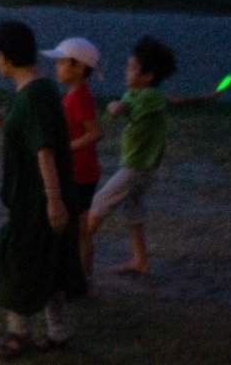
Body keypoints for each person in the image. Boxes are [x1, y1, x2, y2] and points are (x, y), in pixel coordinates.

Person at [0, 19, 85, 357]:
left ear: (5, 57)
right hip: (39, 200)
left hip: (37, 202)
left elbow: (44, 151)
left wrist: (53, 201)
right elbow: (32, 131)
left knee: (17, 264)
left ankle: (18, 334)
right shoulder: (40, 90)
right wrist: (2, 123)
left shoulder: (34, 96)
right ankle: (59, 333)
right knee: (47, 266)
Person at [87, 36, 219, 277]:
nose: (125, 71)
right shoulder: (134, 93)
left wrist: (115, 107)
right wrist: (114, 106)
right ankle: (140, 261)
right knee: (132, 210)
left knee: (99, 203)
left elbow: (170, 102)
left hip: (136, 168)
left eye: (131, 67)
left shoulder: (150, 96)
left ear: (148, 76)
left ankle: (76, 252)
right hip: (141, 167)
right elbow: (124, 106)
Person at [43, 36, 104, 279]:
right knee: (76, 230)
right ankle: (78, 277)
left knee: (79, 231)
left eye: (61, 63)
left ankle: (84, 279)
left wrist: (66, 148)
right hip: (77, 172)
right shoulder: (73, 95)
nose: (56, 67)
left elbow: (95, 133)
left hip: (80, 174)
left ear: (78, 67)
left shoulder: (79, 97)